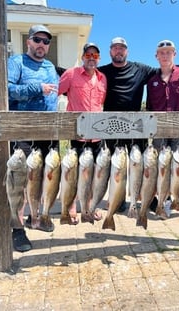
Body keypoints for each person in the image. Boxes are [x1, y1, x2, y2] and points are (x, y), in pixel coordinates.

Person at [98, 37, 179, 212]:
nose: (119, 51)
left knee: (141, 164)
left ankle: (147, 198)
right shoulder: (101, 71)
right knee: (116, 166)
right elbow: (84, 72)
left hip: (136, 126)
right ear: (110, 51)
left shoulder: (141, 69)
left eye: (122, 48)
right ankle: (118, 201)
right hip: (111, 126)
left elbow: (165, 67)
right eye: (115, 48)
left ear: (127, 51)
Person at [8, 24, 59, 252]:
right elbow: (7, 89)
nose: (41, 45)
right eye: (37, 40)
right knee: (20, 181)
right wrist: (37, 88)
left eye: (46, 41)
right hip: (23, 130)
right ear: (28, 41)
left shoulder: (50, 66)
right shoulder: (16, 62)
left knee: (44, 179)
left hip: (49, 131)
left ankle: (35, 217)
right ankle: (17, 229)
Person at [146, 39, 179, 223]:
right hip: (160, 132)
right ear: (156, 56)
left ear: (174, 54)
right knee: (163, 168)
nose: (165, 55)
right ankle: (166, 200)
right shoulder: (151, 80)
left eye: (169, 52)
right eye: (162, 52)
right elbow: (150, 108)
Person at [58, 42, 107, 223]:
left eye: (95, 56)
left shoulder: (102, 78)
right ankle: (71, 206)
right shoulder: (71, 74)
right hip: (78, 134)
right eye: (88, 55)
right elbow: (55, 92)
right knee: (74, 173)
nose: (91, 58)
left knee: (94, 174)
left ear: (98, 59)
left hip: (97, 136)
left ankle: (90, 206)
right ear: (82, 57)